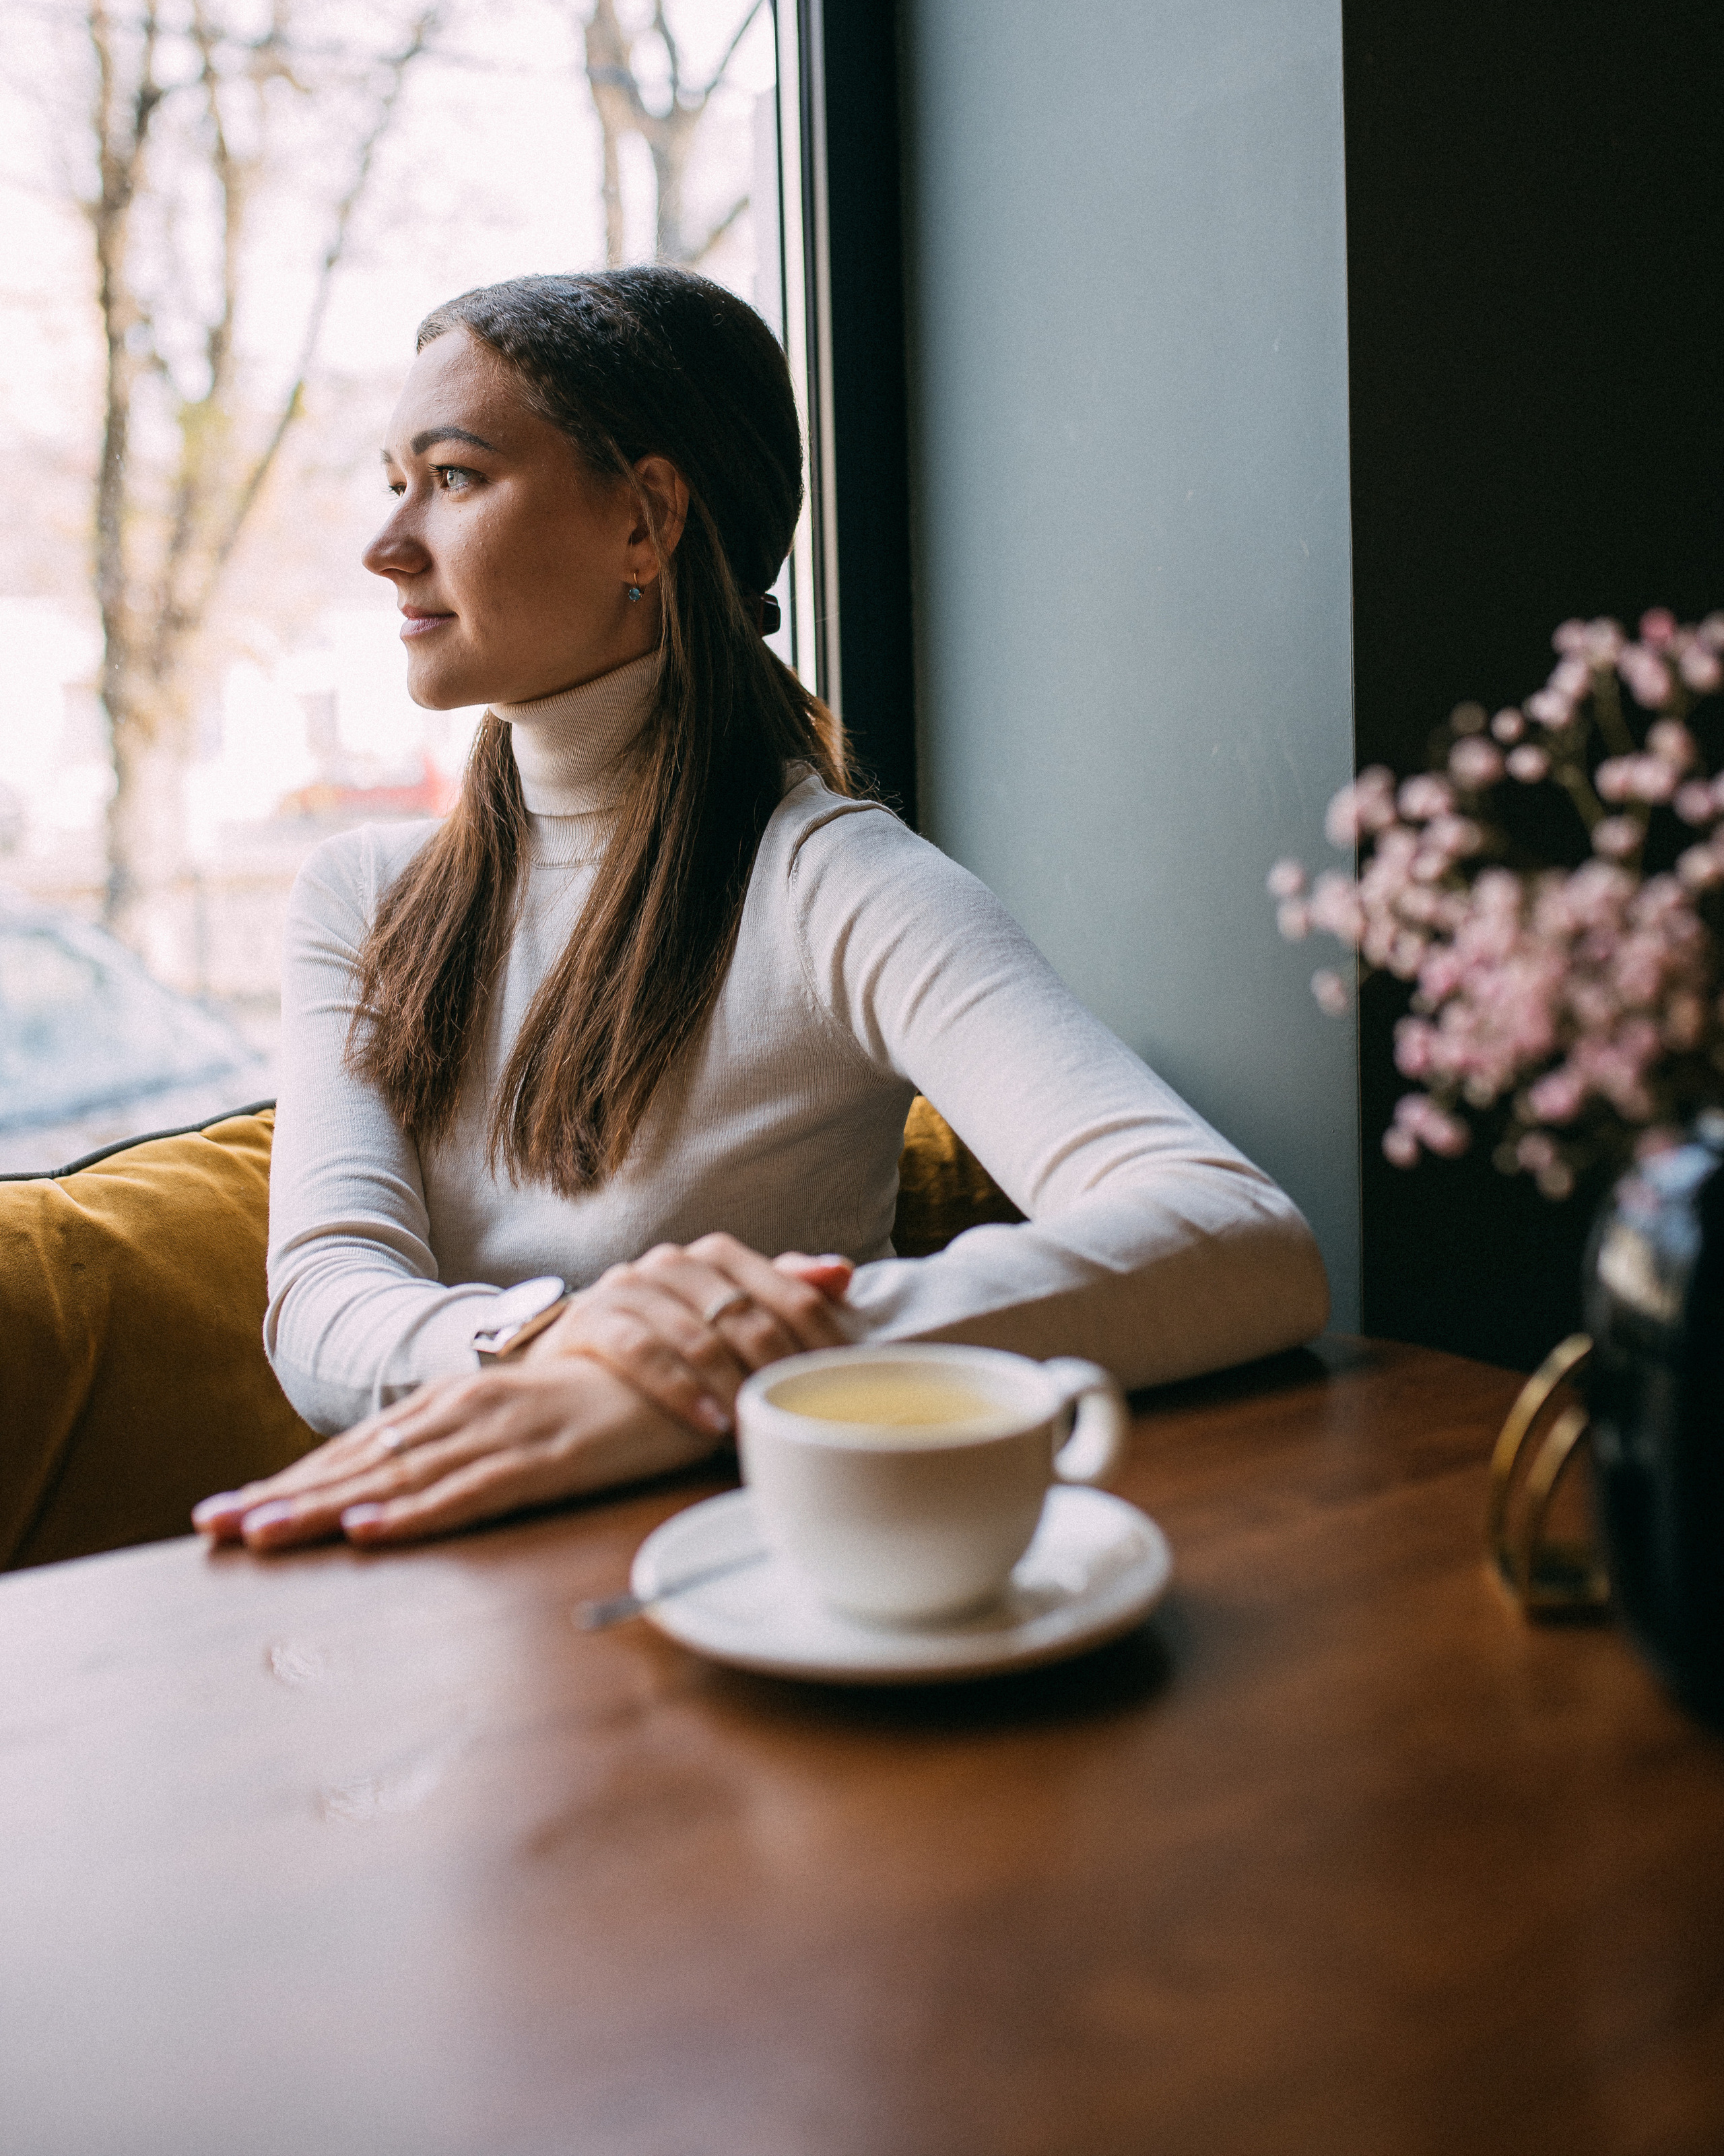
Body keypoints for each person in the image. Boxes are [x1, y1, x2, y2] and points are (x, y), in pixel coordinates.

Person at [195, 269, 1327, 1555]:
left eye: (453, 478)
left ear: (647, 520)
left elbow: (1241, 1237)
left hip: (759, 1586)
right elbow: (323, 1305)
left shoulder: (833, 882)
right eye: (392, 480)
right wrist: (568, 1338)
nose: (387, 543)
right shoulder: (361, 897)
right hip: (435, 1598)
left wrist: (732, 1366)